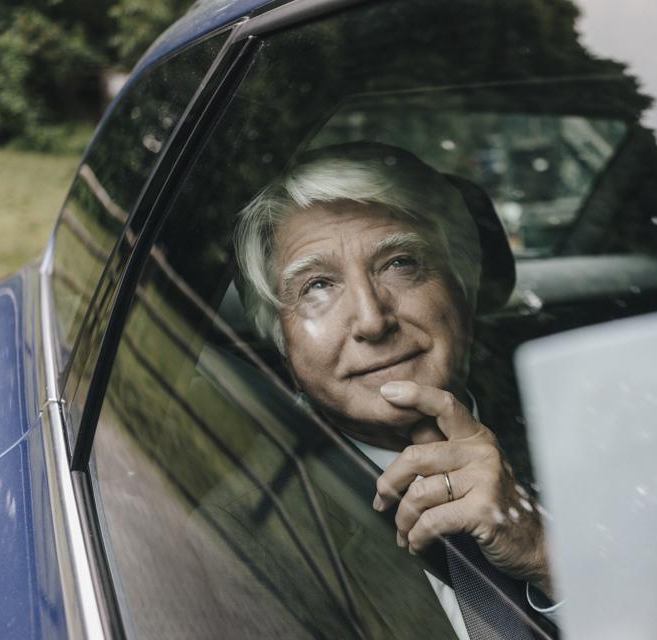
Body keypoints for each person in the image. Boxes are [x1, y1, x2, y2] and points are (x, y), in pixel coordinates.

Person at [234, 142, 557, 637]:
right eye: (317, 286)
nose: (371, 320)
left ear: (461, 283)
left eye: (399, 263)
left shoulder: (580, 425)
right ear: (283, 337)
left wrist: (546, 554)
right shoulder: (247, 537)